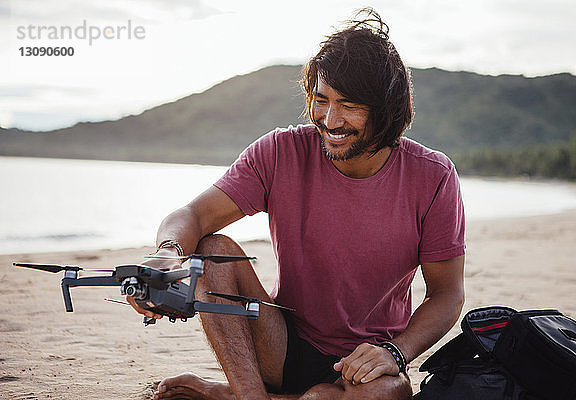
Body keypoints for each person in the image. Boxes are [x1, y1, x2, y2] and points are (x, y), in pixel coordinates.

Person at [130, 8, 465, 400]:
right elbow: (194, 215)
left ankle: (230, 394)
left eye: (350, 105)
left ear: (386, 110)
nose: (330, 119)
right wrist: (166, 254)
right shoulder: (280, 151)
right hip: (282, 342)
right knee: (212, 250)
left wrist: (396, 351)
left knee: (383, 395)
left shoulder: (433, 176)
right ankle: (251, 395)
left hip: (364, 363)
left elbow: (446, 294)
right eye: (321, 100)